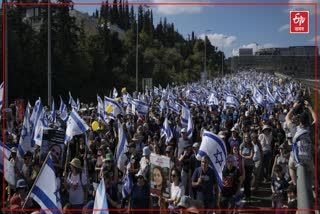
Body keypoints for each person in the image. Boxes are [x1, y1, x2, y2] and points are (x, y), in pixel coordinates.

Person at [239, 133, 254, 203]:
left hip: (249, 166)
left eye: (247, 137)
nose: (246, 138)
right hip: (243, 165)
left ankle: (248, 196)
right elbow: (240, 154)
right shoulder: (241, 145)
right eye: (245, 137)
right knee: (243, 181)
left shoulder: (251, 146)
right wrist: (246, 157)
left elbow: (251, 156)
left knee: (248, 181)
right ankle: (244, 195)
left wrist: (244, 156)